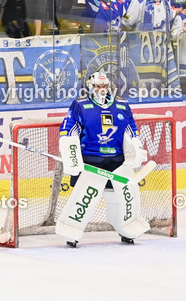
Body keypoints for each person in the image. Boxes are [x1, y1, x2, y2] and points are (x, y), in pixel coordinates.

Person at [56, 71, 150, 247]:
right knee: (86, 195)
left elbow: (131, 129)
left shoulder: (122, 105)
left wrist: (136, 147)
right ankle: (72, 230)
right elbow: (69, 128)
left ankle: (126, 228)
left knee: (124, 195)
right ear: (90, 87)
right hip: (91, 159)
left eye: (105, 86)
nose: (102, 89)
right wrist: (71, 152)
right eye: (98, 86)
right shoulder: (80, 105)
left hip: (117, 160)